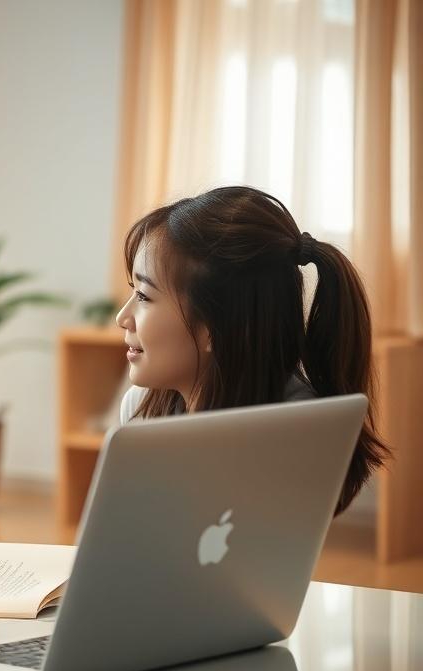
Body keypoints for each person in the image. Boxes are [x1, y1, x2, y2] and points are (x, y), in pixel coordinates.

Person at [115, 185, 389, 512]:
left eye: (144, 296)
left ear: (216, 326)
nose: (122, 318)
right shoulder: (141, 410)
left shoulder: (300, 429)